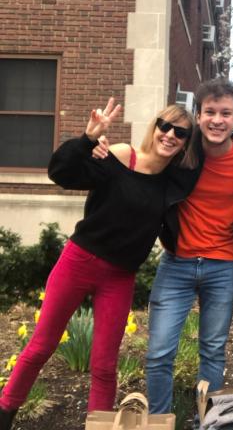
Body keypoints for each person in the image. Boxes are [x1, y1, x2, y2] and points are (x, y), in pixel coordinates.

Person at [0, 98, 195, 430]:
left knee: (104, 365)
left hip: (120, 277)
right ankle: (5, 412)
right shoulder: (120, 155)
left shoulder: (174, 183)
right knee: (41, 346)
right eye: (165, 125)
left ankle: (99, 425)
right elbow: (62, 173)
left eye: (180, 132)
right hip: (80, 262)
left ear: (186, 142)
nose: (170, 135)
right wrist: (88, 139)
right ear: (155, 127)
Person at [145, 78, 233, 414]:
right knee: (159, 352)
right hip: (177, 264)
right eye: (210, 112)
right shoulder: (181, 153)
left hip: (223, 266)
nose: (217, 120)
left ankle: (210, 420)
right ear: (198, 116)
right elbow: (143, 167)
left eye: (226, 113)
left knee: (213, 350)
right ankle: (159, 420)